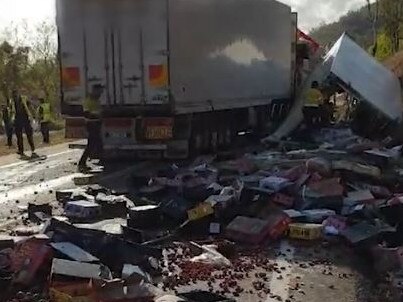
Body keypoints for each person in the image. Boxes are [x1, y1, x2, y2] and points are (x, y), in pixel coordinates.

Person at [78, 84, 103, 171]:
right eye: (99, 91)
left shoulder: (97, 100)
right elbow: (86, 114)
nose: (101, 93)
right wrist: (96, 116)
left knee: (98, 143)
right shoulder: (88, 101)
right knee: (91, 144)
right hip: (91, 125)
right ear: (94, 91)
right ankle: (81, 163)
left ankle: (101, 159)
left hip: (97, 124)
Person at [13, 90, 36, 157]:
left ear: (18, 94)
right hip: (17, 119)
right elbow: (12, 110)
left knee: (29, 134)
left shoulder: (24, 98)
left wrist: (33, 115)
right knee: (19, 136)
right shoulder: (12, 101)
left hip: (25, 118)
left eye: (16, 95)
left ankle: (32, 148)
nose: (15, 96)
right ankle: (21, 150)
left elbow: (30, 106)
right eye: (14, 95)